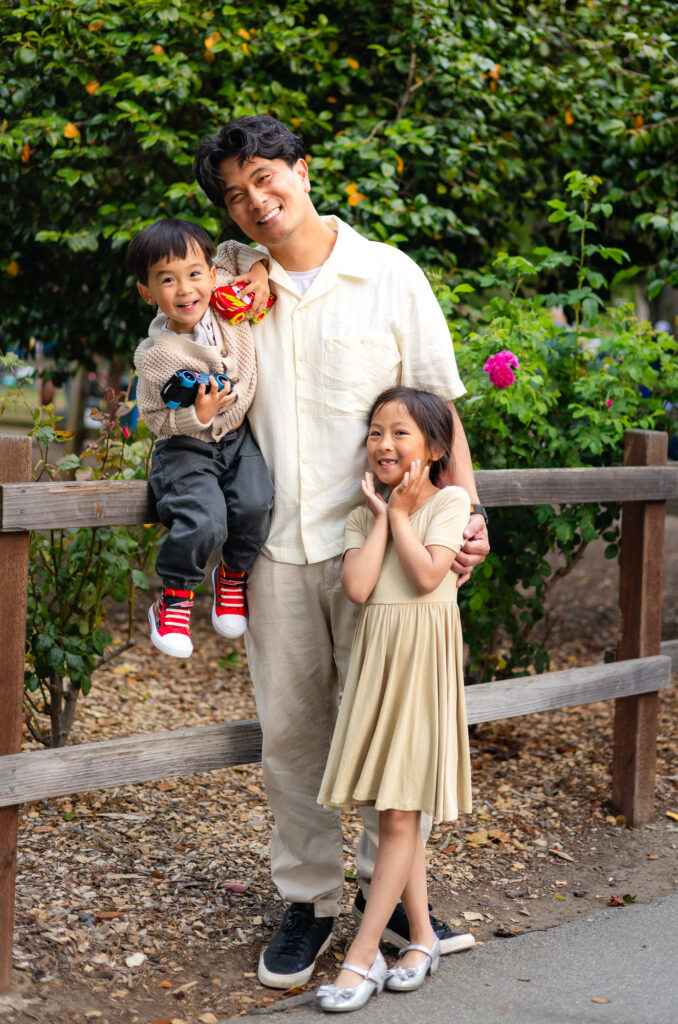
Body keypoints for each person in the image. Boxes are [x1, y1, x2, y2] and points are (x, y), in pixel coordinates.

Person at [193, 115, 490, 988]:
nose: (256, 201)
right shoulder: (229, 291)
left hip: (386, 546)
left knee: (389, 732)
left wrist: (467, 516)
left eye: (265, 177)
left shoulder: (389, 274)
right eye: (236, 194)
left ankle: (392, 901)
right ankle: (308, 900)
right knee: (292, 735)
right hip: (277, 551)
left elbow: (441, 410)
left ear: (301, 168)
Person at [316, 387, 472, 1011]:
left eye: (401, 433)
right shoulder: (365, 516)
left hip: (422, 669)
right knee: (390, 809)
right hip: (379, 670)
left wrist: (403, 515)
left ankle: (363, 954)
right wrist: (383, 515)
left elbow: (429, 575)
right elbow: (357, 587)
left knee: (402, 812)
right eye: (376, 432)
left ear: (434, 449)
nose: (384, 444)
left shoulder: (452, 501)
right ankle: (424, 937)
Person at [128, 218, 275, 658]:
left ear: (211, 275)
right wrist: (196, 415)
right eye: (167, 280)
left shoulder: (225, 293)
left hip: (237, 437)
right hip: (186, 447)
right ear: (148, 293)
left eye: (194, 273)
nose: (186, 289)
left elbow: (236, 249)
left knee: (255, 502)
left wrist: (262, 273)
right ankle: (174, 597)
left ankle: (231, 575)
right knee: (205, 518)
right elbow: (157, 420)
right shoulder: (159, 357)